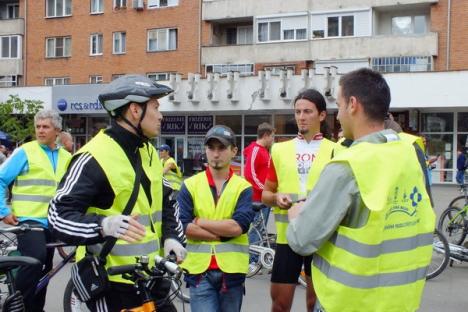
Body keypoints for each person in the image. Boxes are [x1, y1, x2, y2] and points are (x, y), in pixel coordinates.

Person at [287, 68, 436, 312]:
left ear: (353, 104)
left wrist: (296, 214)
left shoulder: (347, 165)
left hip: (348, 303)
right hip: (401, 301)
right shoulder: (411, 153)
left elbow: (302, 240)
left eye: (339, 103)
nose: (338, 114)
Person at [48, 75, 186, 312]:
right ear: (135, 110)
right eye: (155, 107)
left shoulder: (150, 153)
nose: (161, 116)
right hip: (113, 284)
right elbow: (57, 215)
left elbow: (167, 202)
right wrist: (103, 225)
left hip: (153, 278)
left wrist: (173, 236)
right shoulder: (93, 156)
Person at [262, 89, 336, 312]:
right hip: (288, 239)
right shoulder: (280, 150)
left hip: (320, 238)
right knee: (280, 305)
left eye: (307, 111)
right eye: (297, 111)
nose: (301, 116)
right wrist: (276, 197)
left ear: (321, 115)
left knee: (315, 305)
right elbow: (265, 194)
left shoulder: (336, 150)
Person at [0, 109, 71, 312]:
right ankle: (16, 306)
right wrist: (4, 210)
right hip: (28, 220)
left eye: (45, 127)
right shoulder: (26, 151)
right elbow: (1, 178)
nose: (40, 131)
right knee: (35, 259)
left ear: (56, 130)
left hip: (53, 222)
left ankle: (36, 308)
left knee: (46, 270)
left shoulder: (66, 157)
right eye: (38, 126)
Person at [178, 125, 255, 312]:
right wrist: (221, 233)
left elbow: (237, 227)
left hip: (232, 274)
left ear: (234, 151)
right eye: (211, 148)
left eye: (221, 148)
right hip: (199, 274)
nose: (215, 153)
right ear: (205, 150)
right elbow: (184, 225)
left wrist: (199, 221)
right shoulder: (189, 185)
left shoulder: (243, 187)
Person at [243, 122, 275, 270]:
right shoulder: (256, 150)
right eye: (272, 137)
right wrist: (264, 190)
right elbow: (250, 174)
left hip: (264, 198)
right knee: (257, 227)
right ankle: (251, 261)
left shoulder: (264, 151)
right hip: (258, 198)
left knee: (260, 229)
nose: (273, 140)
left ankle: (255, 259)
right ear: (266, 135)